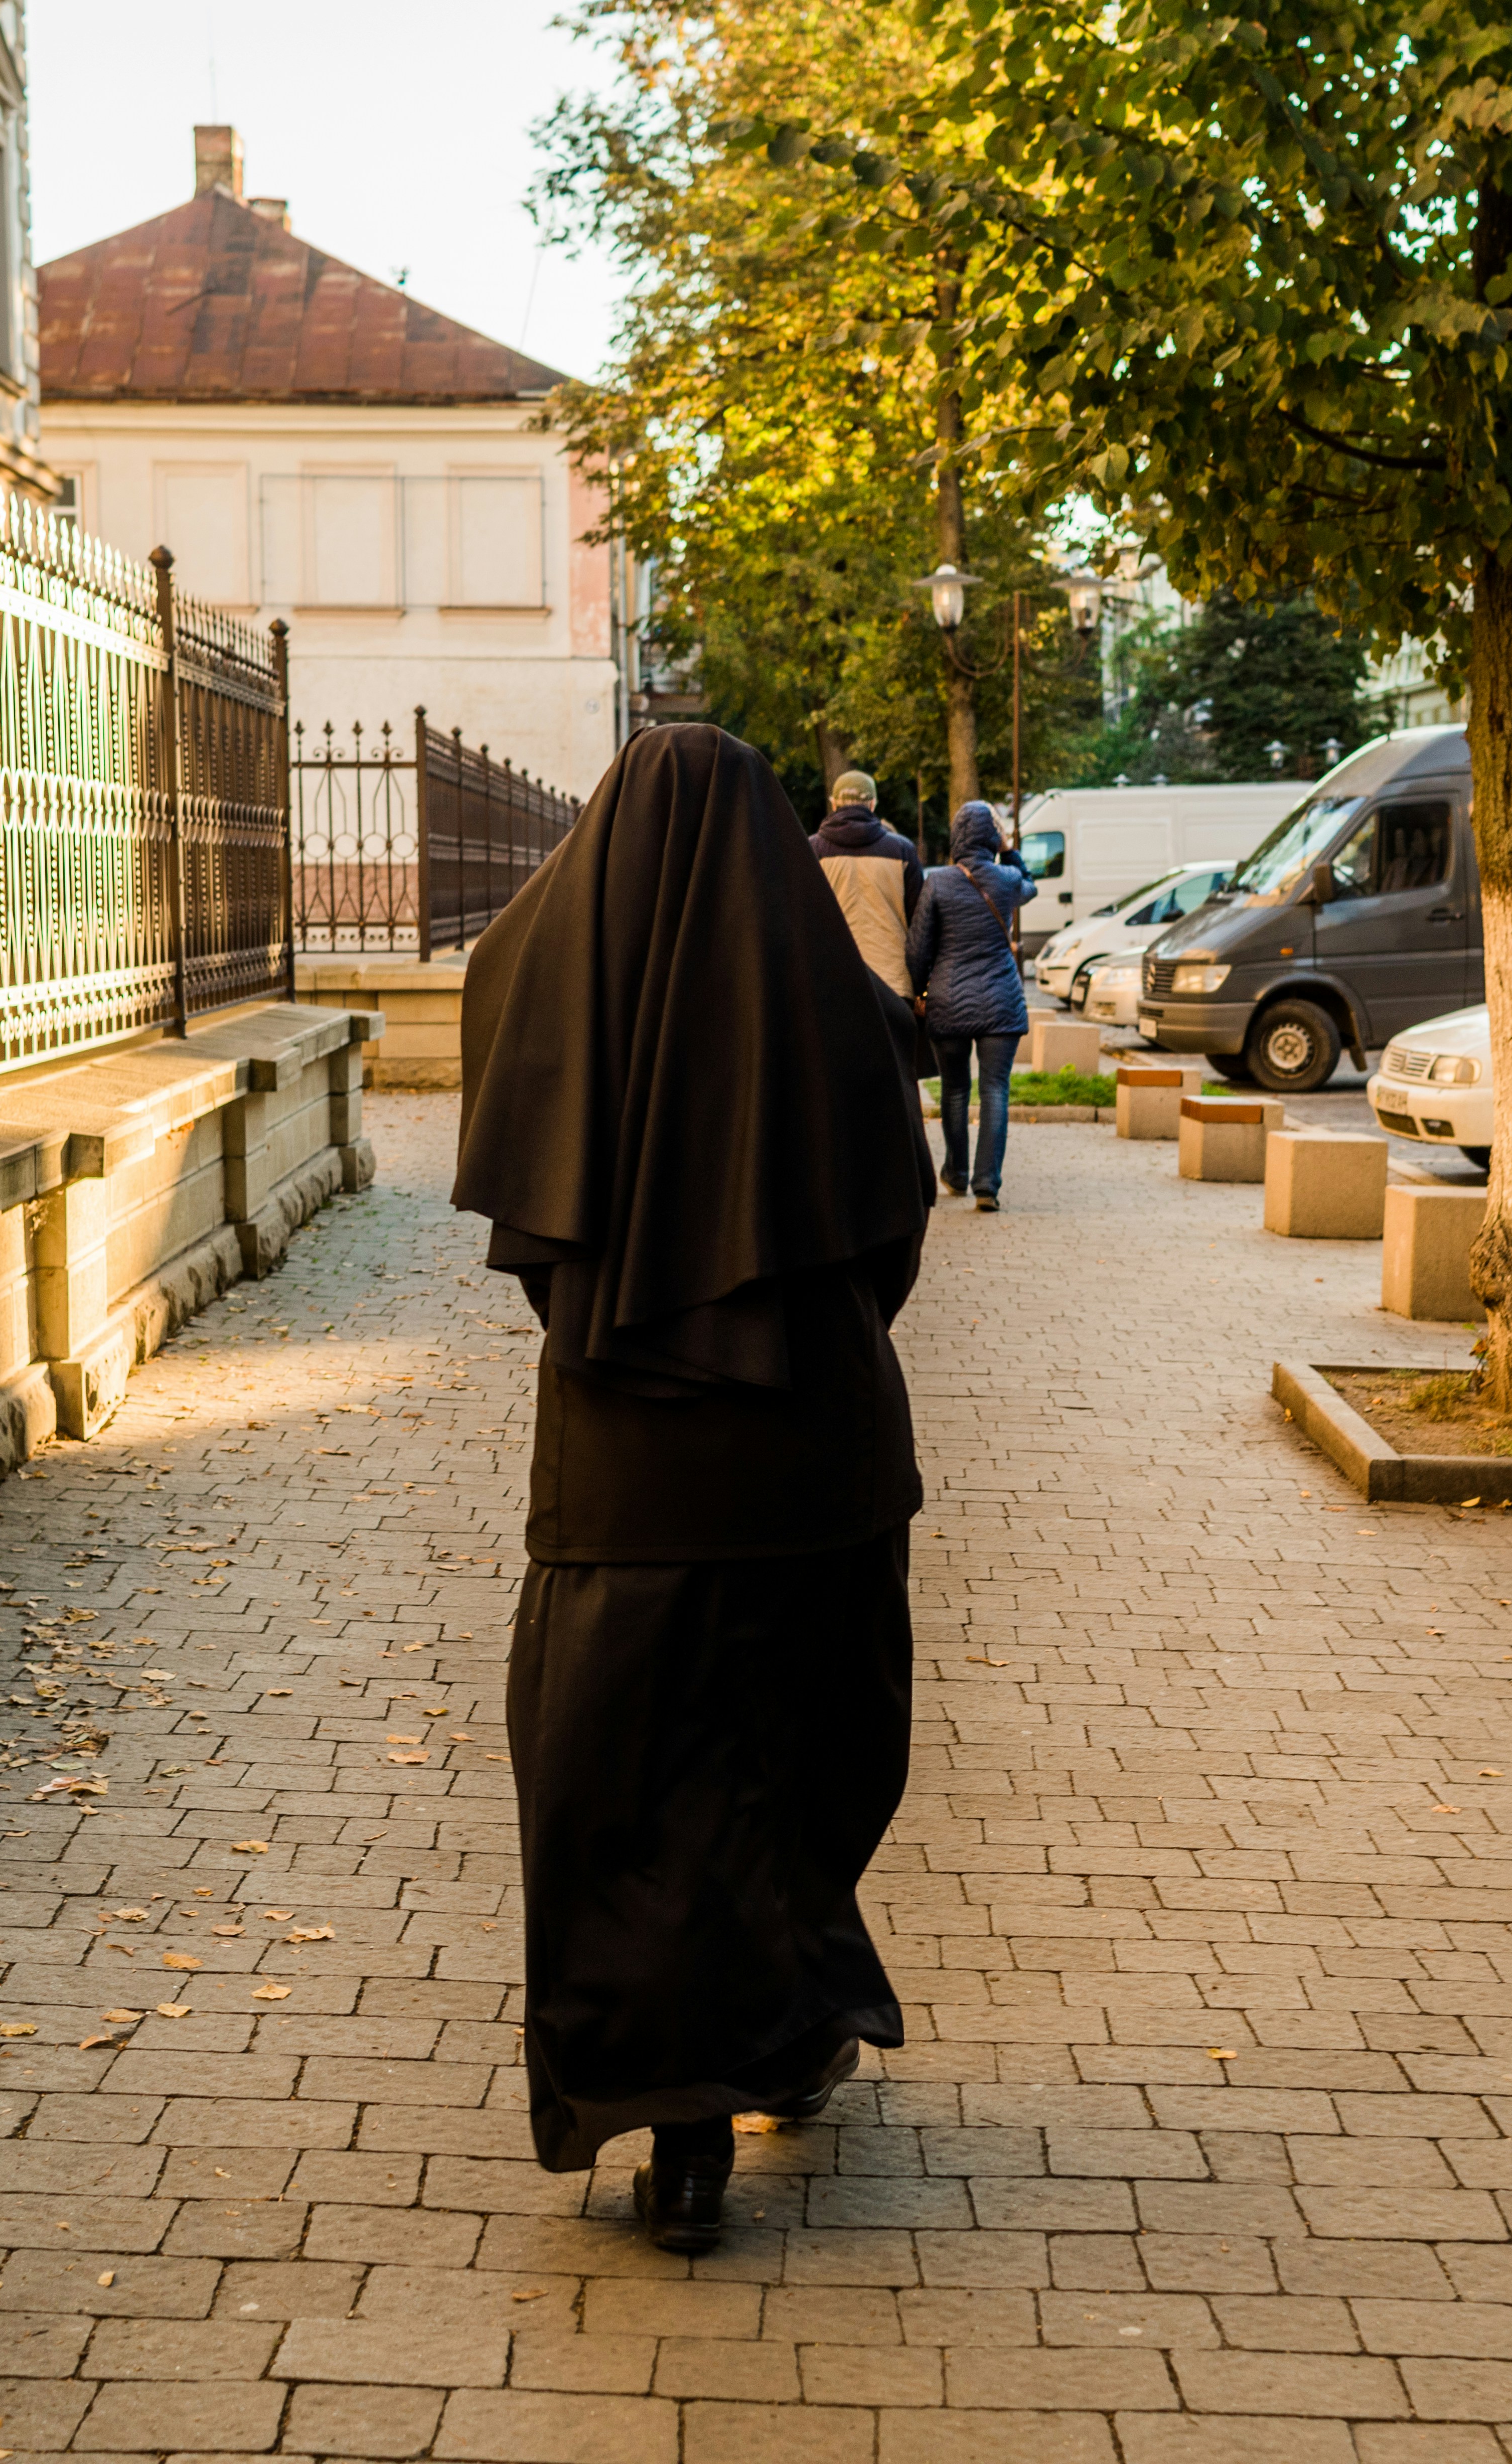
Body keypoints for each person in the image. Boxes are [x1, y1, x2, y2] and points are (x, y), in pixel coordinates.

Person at [452, 723, 935, 2256]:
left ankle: (674, 2124)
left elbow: (533, 1239)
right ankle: (782, 2033)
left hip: (619, 1473)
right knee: (792, 1767)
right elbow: (888, 1240)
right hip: (816, 1463)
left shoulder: (533, 974)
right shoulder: (835, 1007)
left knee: (620, 1788)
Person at [904, 800, 1031, 1210]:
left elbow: (918, 948)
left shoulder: (938, 882)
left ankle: (955, 1174)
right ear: (992, 836)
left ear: (957, 835)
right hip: (1001, 1002)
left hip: (949, 999)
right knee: (996, 1090)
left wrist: (923, 991)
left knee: (956, 1089)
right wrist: (1010, 848)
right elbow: (1031, 883)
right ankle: (987, 1185)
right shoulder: (1008, 879)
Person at [809, 767, 924, 998]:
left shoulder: (813, 849)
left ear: (834, 804)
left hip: (834, 977)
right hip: (893, 980)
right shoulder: (902, 850)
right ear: (873, 805)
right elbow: (919, 922)